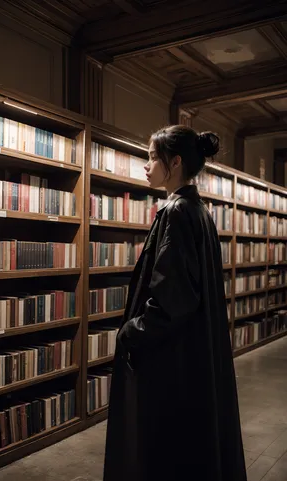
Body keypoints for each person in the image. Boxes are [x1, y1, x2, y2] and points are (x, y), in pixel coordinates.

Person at [103, 125, 247, 481]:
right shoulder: (197, 210)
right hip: (192, 352)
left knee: (162, 450)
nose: (146, 165)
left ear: (176, 161)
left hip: (172, 358)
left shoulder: (178, 212)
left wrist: (130, 332)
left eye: (153, 157)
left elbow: (173, 297)